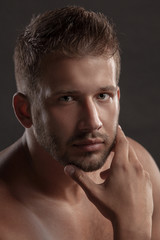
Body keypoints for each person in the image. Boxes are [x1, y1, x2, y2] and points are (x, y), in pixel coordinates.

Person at [0, 6, 159, 240]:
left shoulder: (137, 170)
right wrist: (132, 230)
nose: (92, 122)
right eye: (67, 99)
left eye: (103, 96)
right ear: (25, 111)